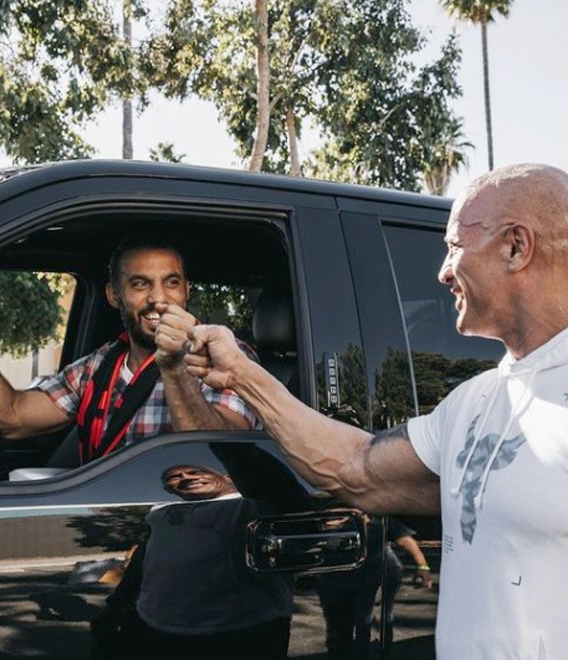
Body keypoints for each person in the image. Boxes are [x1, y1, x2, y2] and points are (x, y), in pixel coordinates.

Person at [184, 163, 568, 659]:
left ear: (516, 246)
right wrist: (240, 375)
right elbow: (357, 467)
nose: (443, 271)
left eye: (455, 247)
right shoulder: (476, 401)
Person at [0, 238, 257, 465]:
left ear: (186, 290)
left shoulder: (223, 356)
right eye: (140, 284)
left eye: (171, 282)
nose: (159, 299)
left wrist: (175, 367)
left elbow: (218, 456)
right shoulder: (100, 364)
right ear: (113, 295)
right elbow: (12, 418)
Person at [91, 451, 307, 660]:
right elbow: (144, 562)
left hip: (243, 628)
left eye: (195, 472)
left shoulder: (254, 504)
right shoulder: (160, 513)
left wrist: (225, 446)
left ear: (228, 477)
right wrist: (115, 605)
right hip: (156, 624)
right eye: (174, 477)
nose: (185, 478)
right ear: (169, 489)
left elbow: (288, 494)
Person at [316, 513, 433, 660]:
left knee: (368, 619)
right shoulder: (325, 521)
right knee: (338, 623)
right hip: (337, 579)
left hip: (376, 575)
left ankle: (374, 654)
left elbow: (405, 540)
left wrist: (423, 568)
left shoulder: (377, 520)